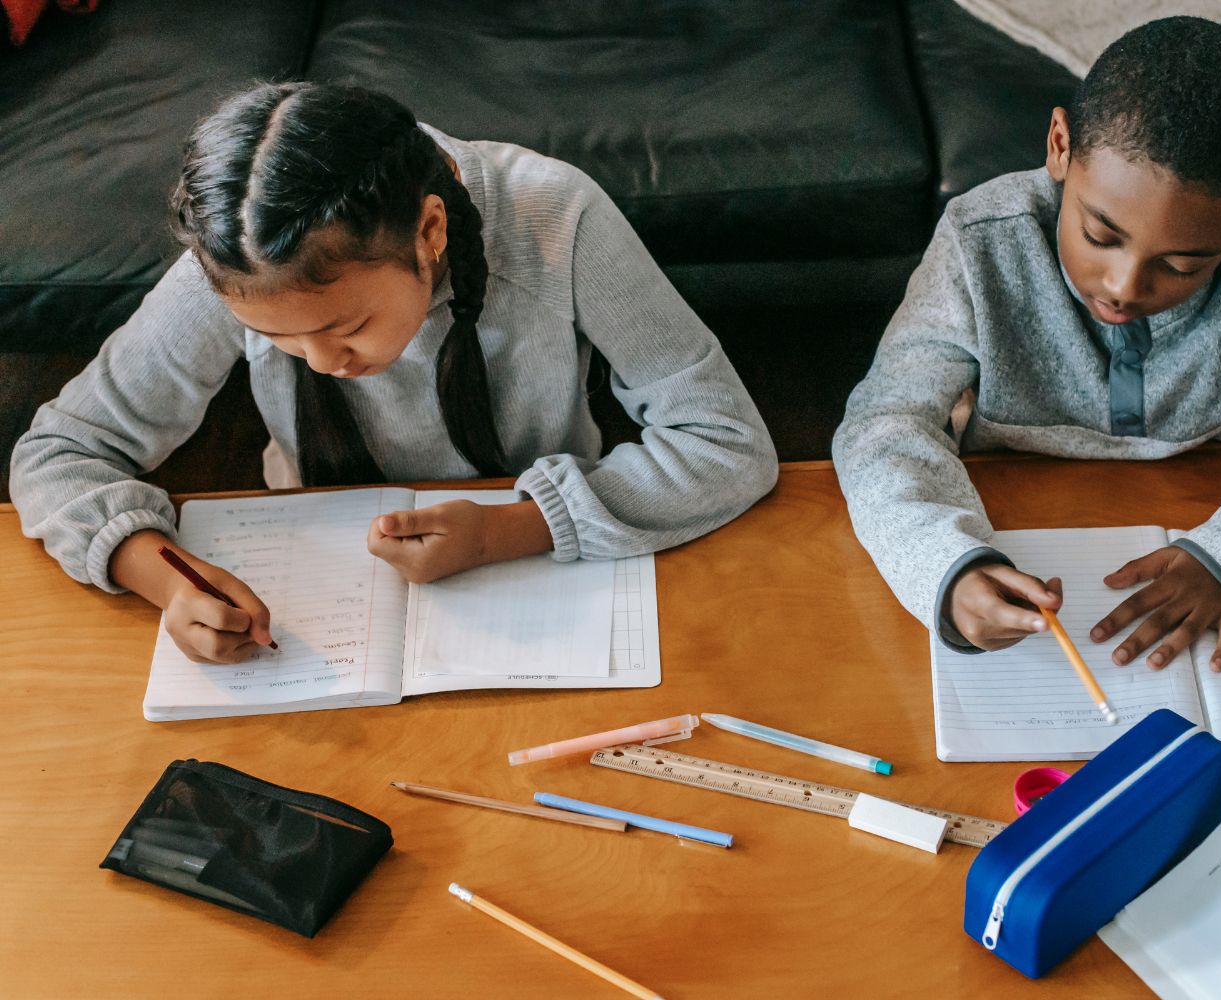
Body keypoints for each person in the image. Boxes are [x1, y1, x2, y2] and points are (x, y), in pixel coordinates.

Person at [11, 82, 777, 664]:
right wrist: (162, 577)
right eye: (275, 339)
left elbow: (725, 440)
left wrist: (515, 528)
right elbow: (61, 453)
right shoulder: (243, 259)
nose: (322, 366)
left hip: (545, 565)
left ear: (431, 231)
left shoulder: (556, 217)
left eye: (345, 328)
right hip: (315, 591)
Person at [833, 16, 1221, 672]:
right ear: (1060, 145)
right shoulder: (979, 243)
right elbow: (883, 426)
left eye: (1184, 264)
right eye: (1101, 235)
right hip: (1020, 510)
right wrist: (947, 565)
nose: (1123, 286)